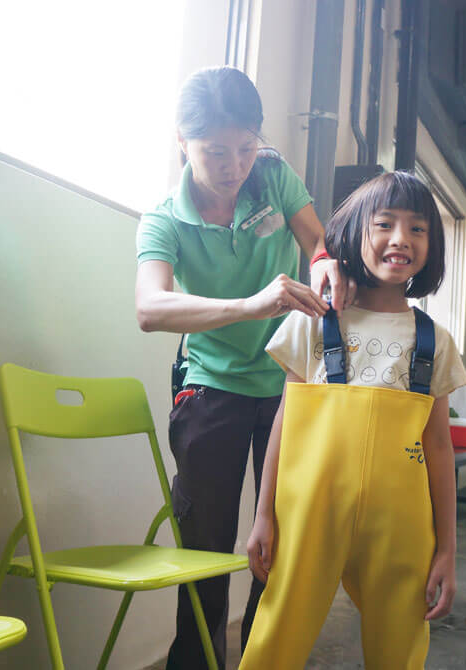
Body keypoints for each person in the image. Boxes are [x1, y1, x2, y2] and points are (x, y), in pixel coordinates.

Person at [135, 65, 351, 670]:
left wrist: (327, 263)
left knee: (278, 544)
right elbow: (150, 308)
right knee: (203, 551)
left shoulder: (273, 175)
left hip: (289, 386)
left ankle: (265, 659)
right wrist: (250, 305)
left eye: (246, 147)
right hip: (210, 389)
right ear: (183, 141)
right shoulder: (165, 220)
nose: (234, 165)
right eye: (215, 152)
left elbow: (317, 241)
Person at [241, 171, 466, 669]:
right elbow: (285, 420)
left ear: (432, 243)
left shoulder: (435, 341)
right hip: (309, 512)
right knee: (275, 636)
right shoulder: (313, 321)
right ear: (354, 234)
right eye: (384, 224)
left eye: (417, 228)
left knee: (400, 647)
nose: (400, 239)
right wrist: (263, 514)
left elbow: (438, 447)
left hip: (402, 525)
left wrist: (447, 550)